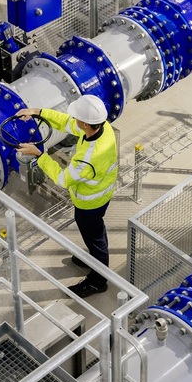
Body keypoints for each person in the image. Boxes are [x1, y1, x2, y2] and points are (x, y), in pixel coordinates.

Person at [16, 96, 118, 297]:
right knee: (95, 233)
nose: (75, 120)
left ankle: (99, 280)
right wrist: (38, 111)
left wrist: (39, 155)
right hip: (102, 193)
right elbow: (67, 122)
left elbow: (63, 179)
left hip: (90, 204)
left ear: (86, 124)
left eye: (78, 118)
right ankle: (95, 258)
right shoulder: (102, 127)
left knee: (95, 236)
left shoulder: (88, 158)